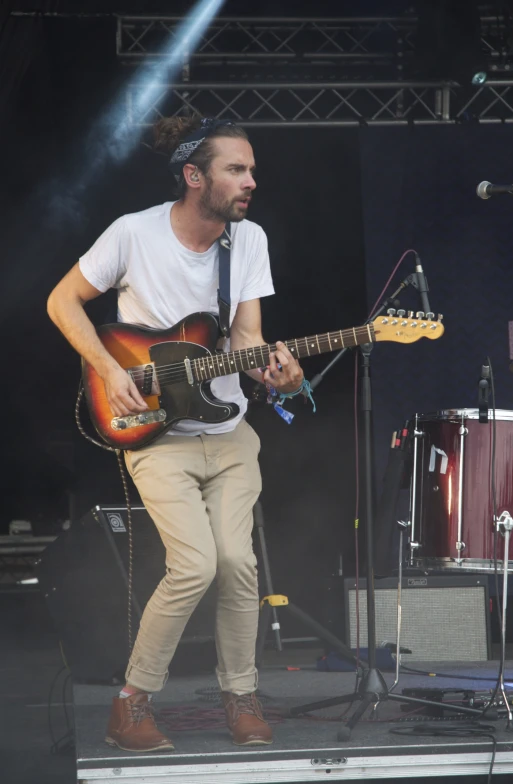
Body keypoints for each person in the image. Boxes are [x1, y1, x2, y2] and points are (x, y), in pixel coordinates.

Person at [47, 115, 305, 752]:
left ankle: (241, 697)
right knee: (194, 565)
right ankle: (130, 705)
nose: (251, 180)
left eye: (251, 169)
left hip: (229, 430)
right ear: (195, 177)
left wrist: (281, 375)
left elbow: (245, 339)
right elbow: (61, 302)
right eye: (236, 170)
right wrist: (109, 369)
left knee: (239, 564)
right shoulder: (133, 234)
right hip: (158, 434)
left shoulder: (248, 241)